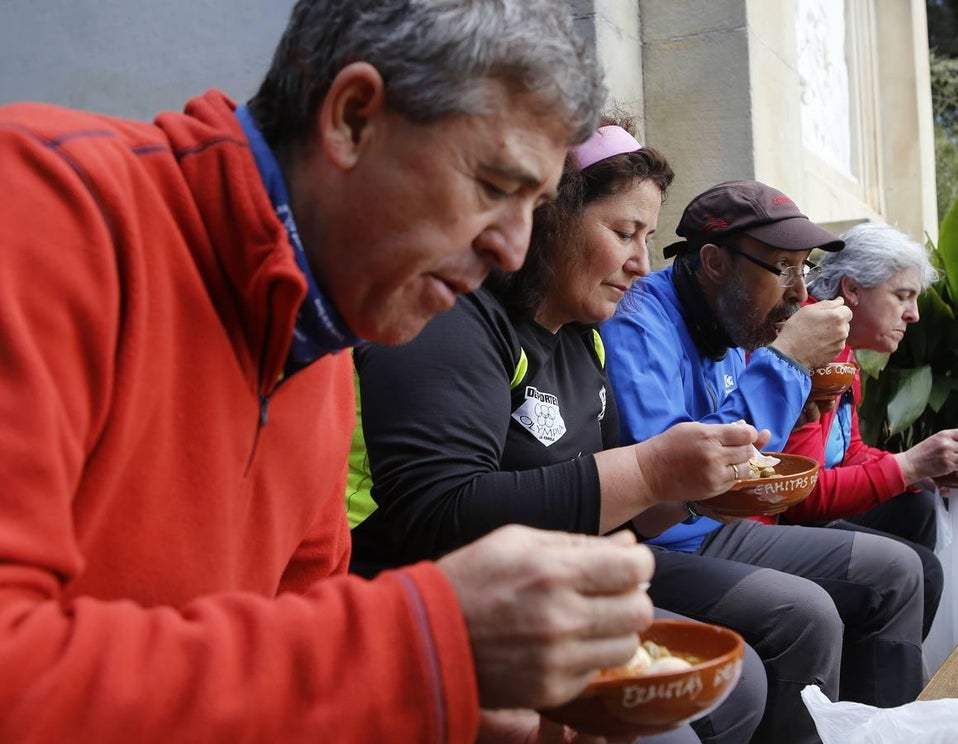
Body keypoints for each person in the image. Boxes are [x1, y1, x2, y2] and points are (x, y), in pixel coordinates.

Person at [0, 2, 658, 742]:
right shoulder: (42, 207)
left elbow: (287, 642)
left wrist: (433, 711)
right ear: (351, 118)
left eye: (535, 206)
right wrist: (415, 650)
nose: (512, 249)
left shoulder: (327, 335)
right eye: (494, 186)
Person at [348, 118, 770, 743]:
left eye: (648, 238)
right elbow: (436, 514)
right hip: (415, 605)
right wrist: (651, 470)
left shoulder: (585, 343)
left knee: (745, 674)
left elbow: (618, 514)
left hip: (549, 587)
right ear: (548, 216)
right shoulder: (452, 314)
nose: (641, 264)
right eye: (624, 232)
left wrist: (687, 489)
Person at [601, 181, 937, 732]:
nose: (797, 291)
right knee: (805, 615)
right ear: (713, 262)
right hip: (658, 538)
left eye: (804, 268)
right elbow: (676, 479)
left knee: (897, 569)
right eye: (783, 268)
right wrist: (786, 363)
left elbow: (761, 456)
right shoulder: (639, 320)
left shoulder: (735, 320)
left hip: (718, 526)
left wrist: (798, 410)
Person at [762, 222, 958, 635]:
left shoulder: (843, 347)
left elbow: (849, 452)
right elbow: (799, 501)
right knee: (922, 571)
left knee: (914, 506)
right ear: (853, 289)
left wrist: (924, 470)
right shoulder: (811, 346)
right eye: (902, 296)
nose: (913, 314)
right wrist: (907, 466)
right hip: (778, 522)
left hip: (799, 512)